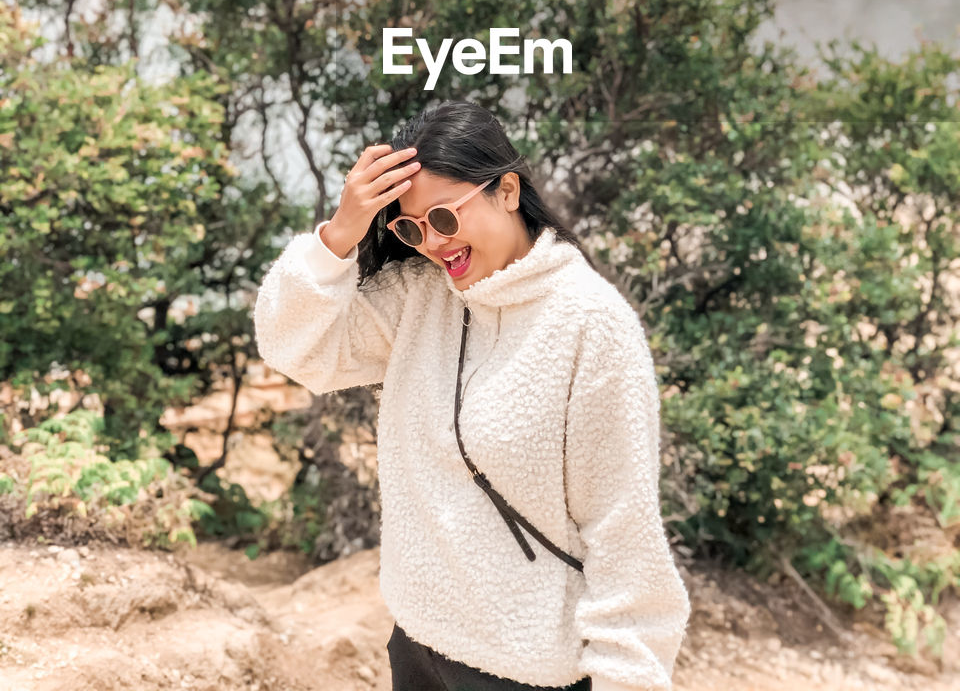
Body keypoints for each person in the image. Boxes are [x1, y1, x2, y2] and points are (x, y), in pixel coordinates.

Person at [254, 99, 690, 691]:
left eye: (446, 217)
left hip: (525, 673)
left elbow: (624, 539)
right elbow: (294, 348)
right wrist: (340, 234)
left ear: (506, 191)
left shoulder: (591, 326)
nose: (433, 242)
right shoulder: (422, 296)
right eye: (411, 227)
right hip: (418, 647)